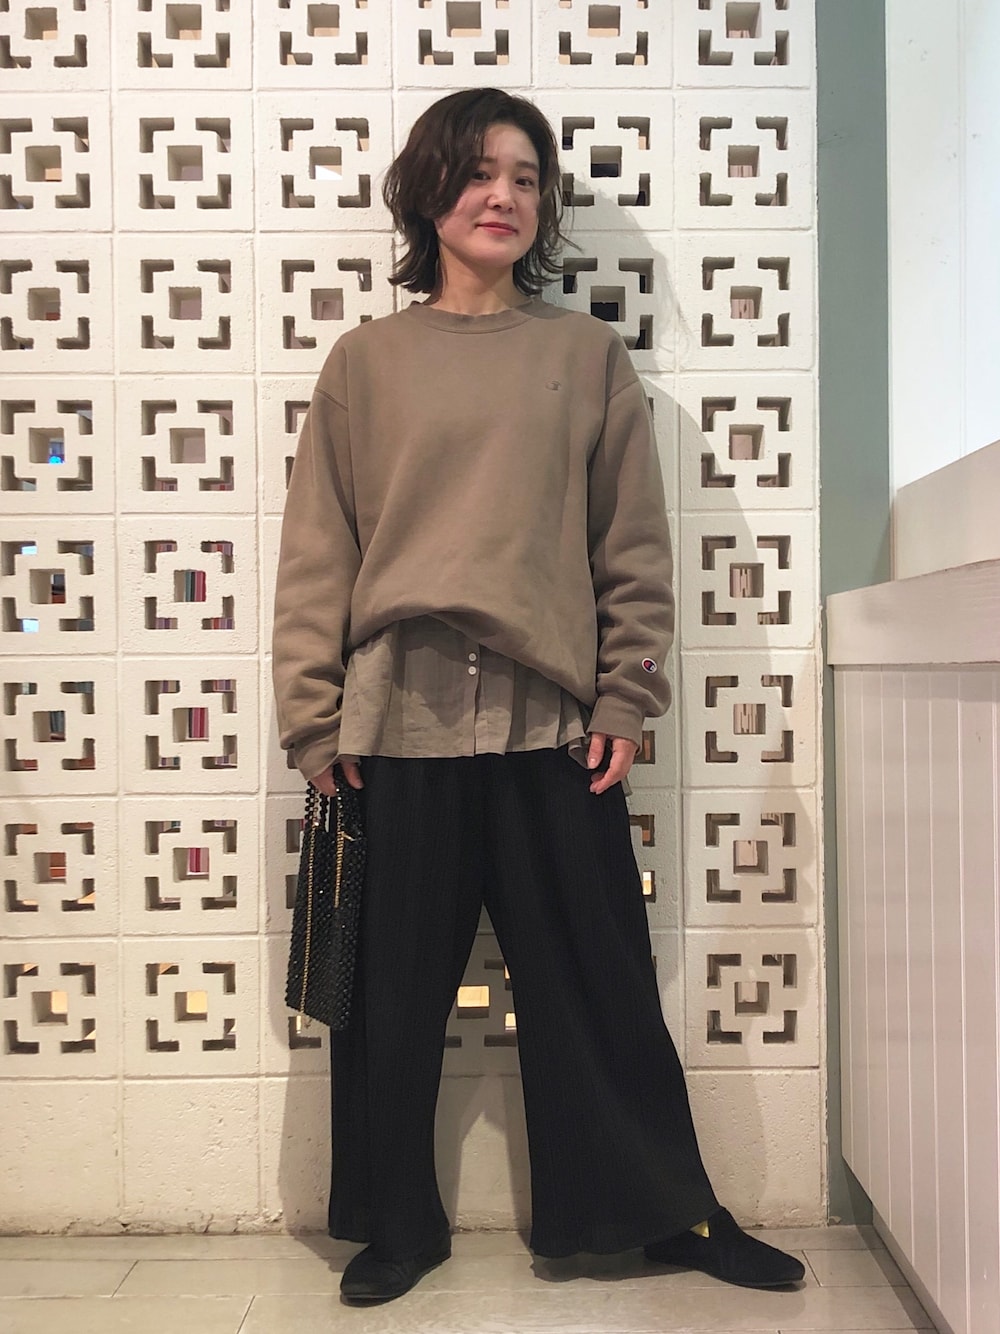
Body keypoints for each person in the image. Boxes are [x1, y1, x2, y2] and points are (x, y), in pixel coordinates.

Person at [272, 87, 805, 1305]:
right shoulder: (365, 364)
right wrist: (311, 715)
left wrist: (627, 697)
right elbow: (318, 553)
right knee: (389, 995)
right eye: (477, 173)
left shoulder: (583, 356)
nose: (503, 196)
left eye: (524, 176)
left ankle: (665, 1212)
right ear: (427, 193)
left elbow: (633, 546)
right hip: (394, 721)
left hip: (554, 723)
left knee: (597, 980)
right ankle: (396, 1222)